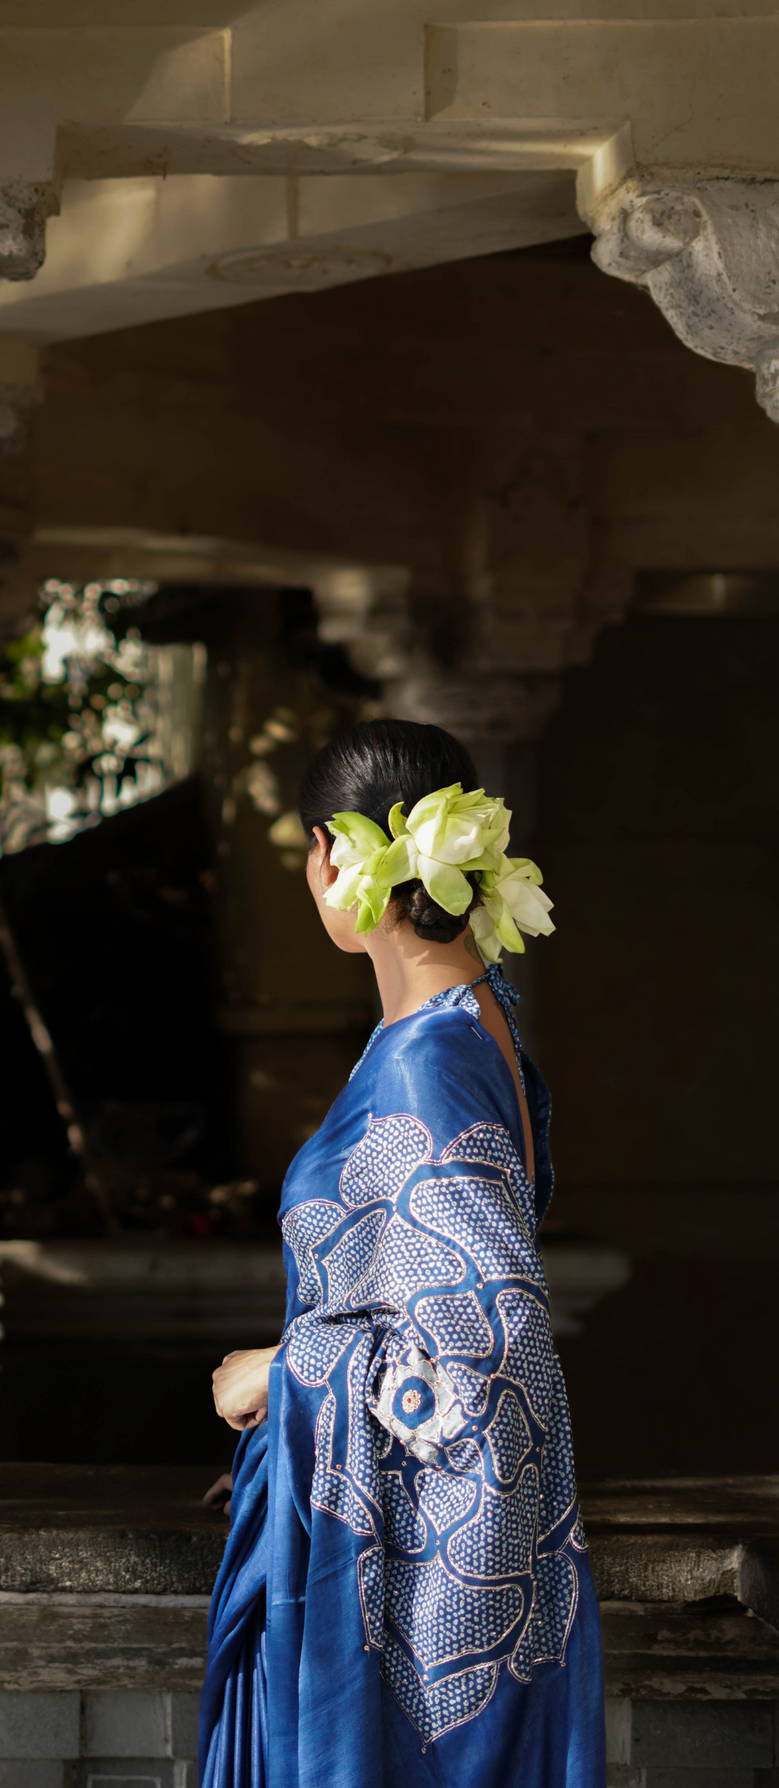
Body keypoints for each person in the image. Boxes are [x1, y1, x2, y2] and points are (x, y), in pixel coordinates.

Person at [199, 718, 605, 1788]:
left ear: (337, 855)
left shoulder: (429, 1065)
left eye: (308, 851)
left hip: (426, 1609)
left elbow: (491, 1352)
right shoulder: (473, 1024)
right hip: (409, 1548)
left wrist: (279, 1372)